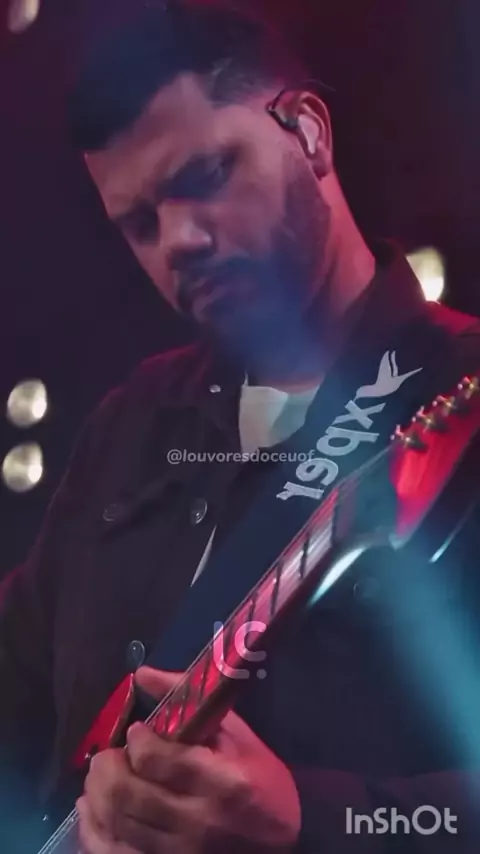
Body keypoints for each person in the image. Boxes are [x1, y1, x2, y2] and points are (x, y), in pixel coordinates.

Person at [1, 2, 480, 852]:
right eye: (139, 223)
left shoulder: (459, 390)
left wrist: (314, 821)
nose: (177, 240)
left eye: (206, 174)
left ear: (308, 131)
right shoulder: (130, 423)